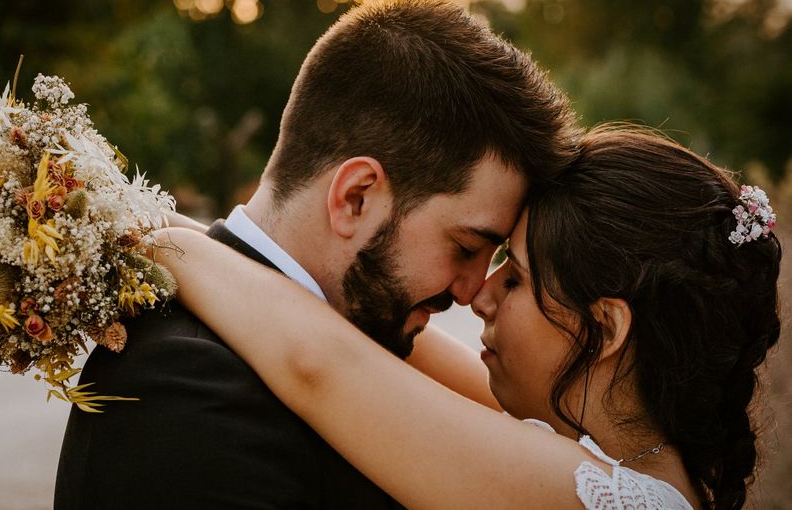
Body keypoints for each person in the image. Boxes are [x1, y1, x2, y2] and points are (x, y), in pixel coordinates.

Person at [54, 0, 578, 508]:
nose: (470, 292)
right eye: (465, 247)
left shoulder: (353, 342)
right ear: (355, 198)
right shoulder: (186, 388)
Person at [148, 126, 782, 509]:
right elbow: (359, 336)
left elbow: (322, 364)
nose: (480, 295)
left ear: (606, 329)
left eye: (518, 277)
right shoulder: (615, 451)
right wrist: (151, 213)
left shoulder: (607, 500)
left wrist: (141, 238)